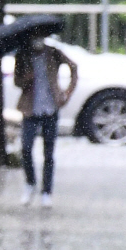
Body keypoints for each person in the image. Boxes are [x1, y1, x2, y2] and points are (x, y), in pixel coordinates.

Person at [14, 35, 78, 205]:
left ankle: (47, 191)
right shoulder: (23, 55)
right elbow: (17, 81)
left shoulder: (53, 53)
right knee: (26, 148)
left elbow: (73, 66)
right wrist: (27, 78)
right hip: (30, 109)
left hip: (50, 108)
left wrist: (68, 92)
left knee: (48, 153)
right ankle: (30, 183)